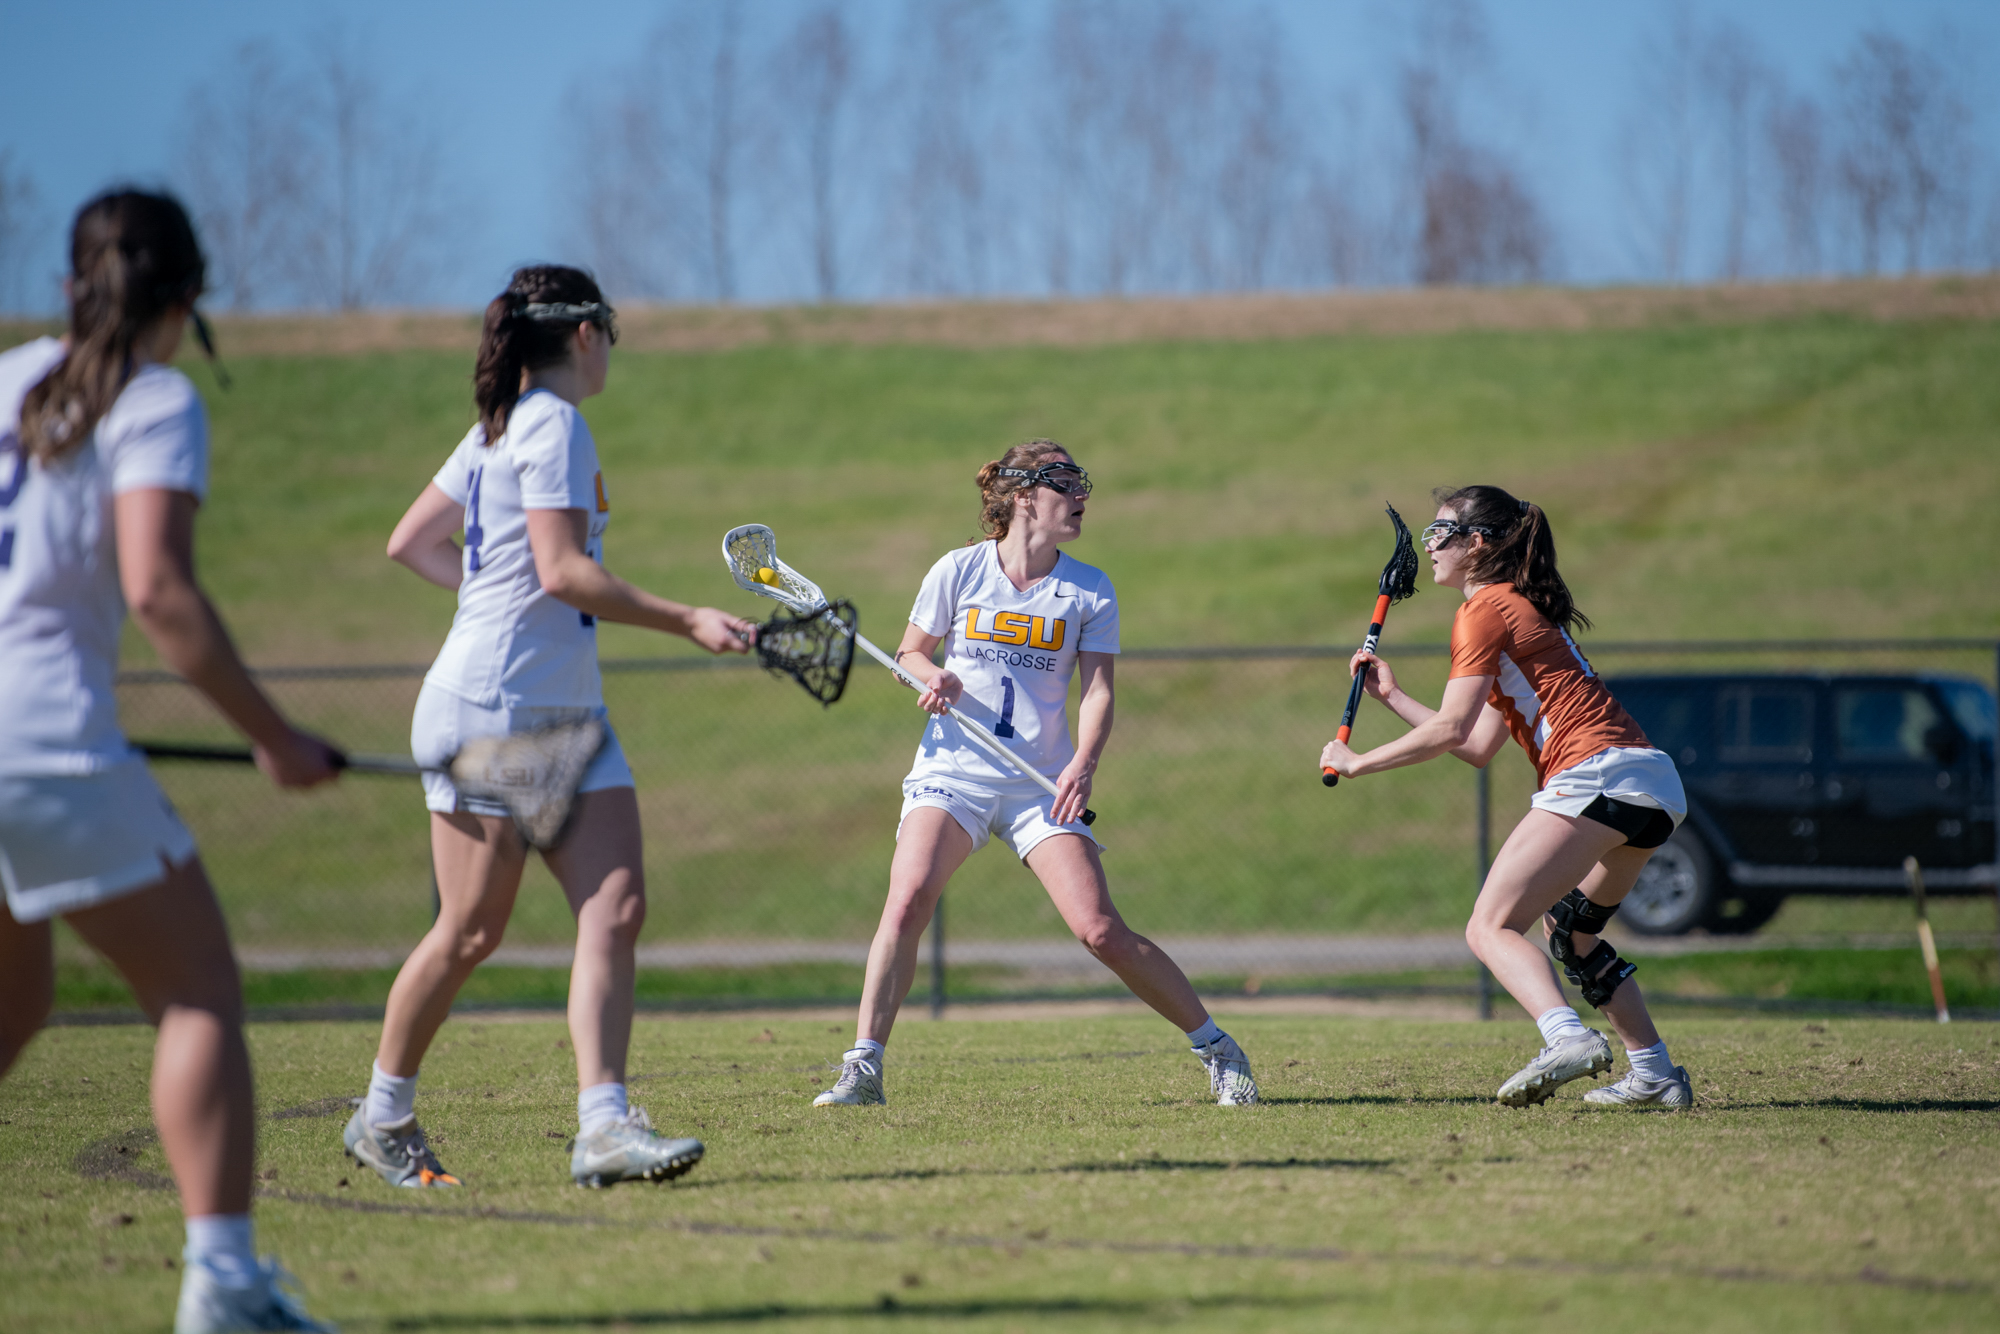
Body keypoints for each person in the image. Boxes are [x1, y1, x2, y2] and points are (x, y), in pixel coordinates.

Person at [0, 190, 342, 1332]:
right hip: (45, 740)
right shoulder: (154, 399)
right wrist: (273, 735)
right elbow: (158, 589)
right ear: (187, 301)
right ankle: (226, 1286)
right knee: (196, 990)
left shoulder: (5, 378)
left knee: (14, 997)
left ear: (69, 284)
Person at [344, 265, 754, 1191]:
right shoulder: (550, 422)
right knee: (468, 932)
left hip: (566, 708)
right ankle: (383, 1114)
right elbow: (563, 572)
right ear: (583, 335)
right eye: (610, 329)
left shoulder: (500, 428)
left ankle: (603, 1128)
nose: (612, 346)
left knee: (615, 907)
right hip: (500, 709)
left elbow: (411, 542)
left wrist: (494, 595)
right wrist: (687, 618)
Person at [813, 440, 1258, 1108]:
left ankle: (1219, 1049)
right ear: (1025, 498)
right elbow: (910, 651)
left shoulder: (1088, 588)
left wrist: (1084, 762)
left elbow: (1099, 693)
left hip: (1039, 785)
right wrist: (931, 678)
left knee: (1100, 930)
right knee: (906, 900)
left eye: (1082, 483)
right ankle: (863, 1067)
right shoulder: (958, 571)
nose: (1082, 495)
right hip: (953, 773)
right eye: (1065, 483)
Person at [1319, 486, 1693, 1110]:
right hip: (1649, 784)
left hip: (1593, 774)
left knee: (1489, 926)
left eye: (1440, 534)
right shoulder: (1512, 610)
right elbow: (1477, 744)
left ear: (1478, 543)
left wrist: (1356, 763)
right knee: (1574, 932)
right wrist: (1393, 698)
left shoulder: (1484, 608)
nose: (1428, 548)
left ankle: (1564, 1036)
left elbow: (1450, 731)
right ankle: (1654, 1072)